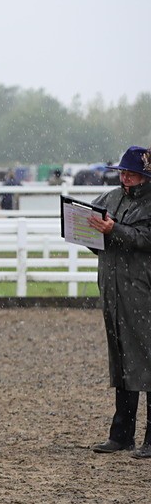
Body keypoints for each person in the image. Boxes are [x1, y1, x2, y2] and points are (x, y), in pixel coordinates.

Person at [87, 146, 151, 458]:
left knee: (148, 359)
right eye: (122, 172)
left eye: (131, 172)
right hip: (113, 289)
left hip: (142, 289)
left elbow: (145, 239)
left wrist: (116, 230)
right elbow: (97, 237)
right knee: (123, 358)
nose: (124, 177)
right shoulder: (112, 197)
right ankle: (122, 433)